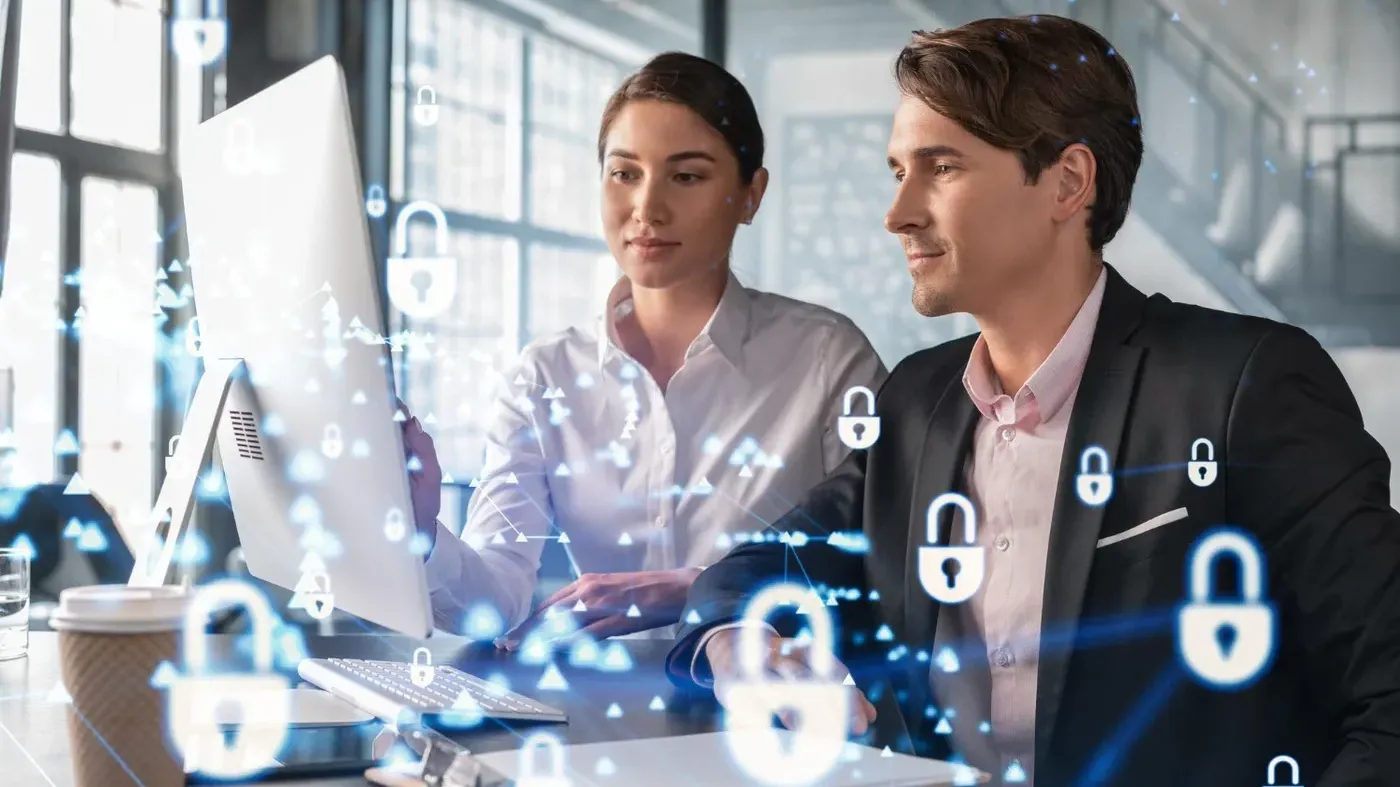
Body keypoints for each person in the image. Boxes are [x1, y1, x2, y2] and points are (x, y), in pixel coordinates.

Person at [667, 15, 1400, 787]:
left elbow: (1387, 694)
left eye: (940, 166)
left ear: (1068, 181)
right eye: (896, 172)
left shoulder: (1246, 386)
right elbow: (756, 567)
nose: (899, 212)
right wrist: (737, 644)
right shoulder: (916, 403)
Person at [398, 52, 887, 645]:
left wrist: (702, 588)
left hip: (776, 709)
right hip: (598, 717)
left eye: (686, 176)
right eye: (625, 173)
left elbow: (877, 574)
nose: (646, 210)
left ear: (750, 195)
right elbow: (494, 603)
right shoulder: (544, 378)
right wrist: (422, 531)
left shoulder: (828, 362)